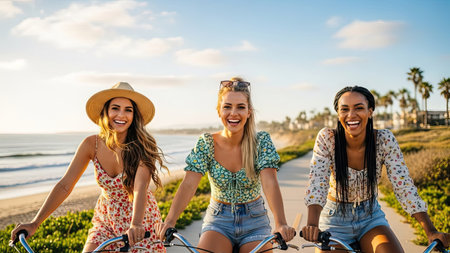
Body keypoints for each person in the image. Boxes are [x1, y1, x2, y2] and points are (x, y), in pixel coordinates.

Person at [11, 82, 166, 252]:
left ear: (134, 115)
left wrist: (136, 224)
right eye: (115, 108)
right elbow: (65, 185)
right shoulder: (92, 144)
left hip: (140, 220)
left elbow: (140, 188)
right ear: (106, 112)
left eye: (128, 110)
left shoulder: (142, 146)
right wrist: (35, 223)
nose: (121, 114)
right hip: (106, 218)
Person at [301, 86, 449, 252]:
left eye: (359, 108)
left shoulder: (384, 140)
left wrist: (430, 231)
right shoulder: (328, 139)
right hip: (334, 218)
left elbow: (404, 186)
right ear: (338, 113)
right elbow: (317, 183)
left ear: (370, 111)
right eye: (344, 109)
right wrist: (312, 225)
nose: (351, 115)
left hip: (370, 217)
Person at [155, 77, 296, 252]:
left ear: (249, 112)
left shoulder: (261, 142)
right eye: (227, 107)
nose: (233, 113)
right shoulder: (207, 143)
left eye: (240, 107)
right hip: (218, 220)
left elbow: (270, 182)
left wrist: (280, 223)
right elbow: (189, 184)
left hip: (255, 220)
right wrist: (169, 221)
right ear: (219, 111)